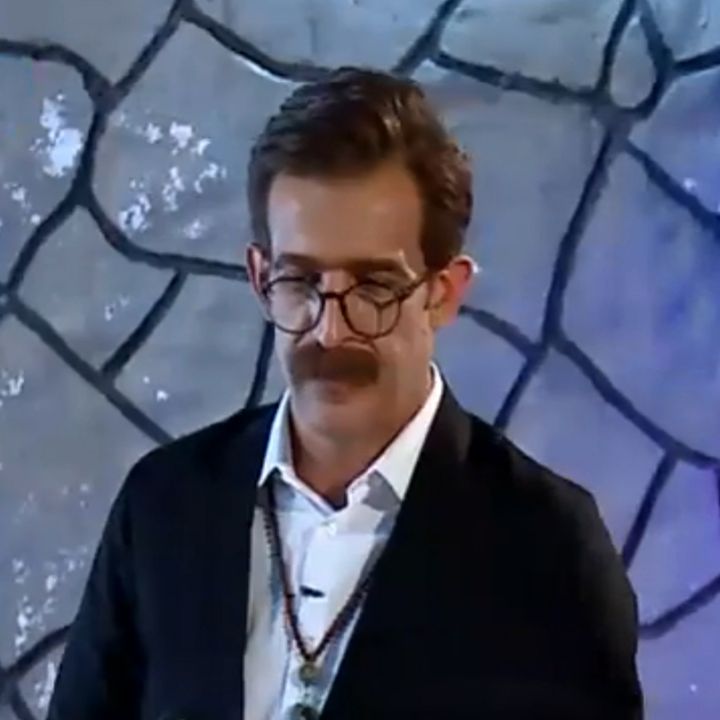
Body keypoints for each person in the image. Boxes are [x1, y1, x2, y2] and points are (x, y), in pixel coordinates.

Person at [48, 67, 643, 720]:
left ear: (443, 293)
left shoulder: (549, 547)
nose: (330, 332)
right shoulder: (162, 506)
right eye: (300, 282)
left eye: (374, 287)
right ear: (259, 277)